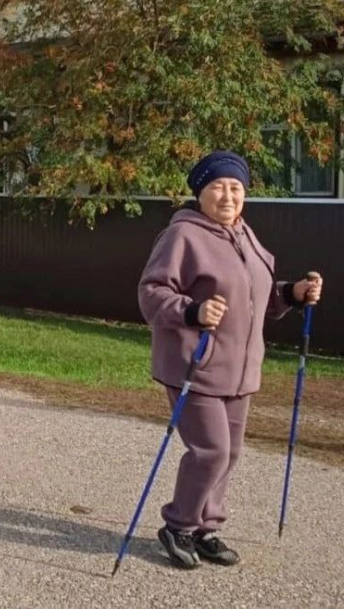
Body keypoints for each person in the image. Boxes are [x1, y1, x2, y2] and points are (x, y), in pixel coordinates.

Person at [138, 150, 322, 570]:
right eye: (218, 187)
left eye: (236, 188)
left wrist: (292, 293)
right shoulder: (182, 235)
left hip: (240, 370)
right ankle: (179, 526)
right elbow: (151, 294)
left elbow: (259, 297)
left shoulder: (245, 234)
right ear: (200, 192)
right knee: (211, 451)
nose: (227, 196)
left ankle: (206, 528)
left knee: (231, 452)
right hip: (194, 365)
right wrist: (192, 311)